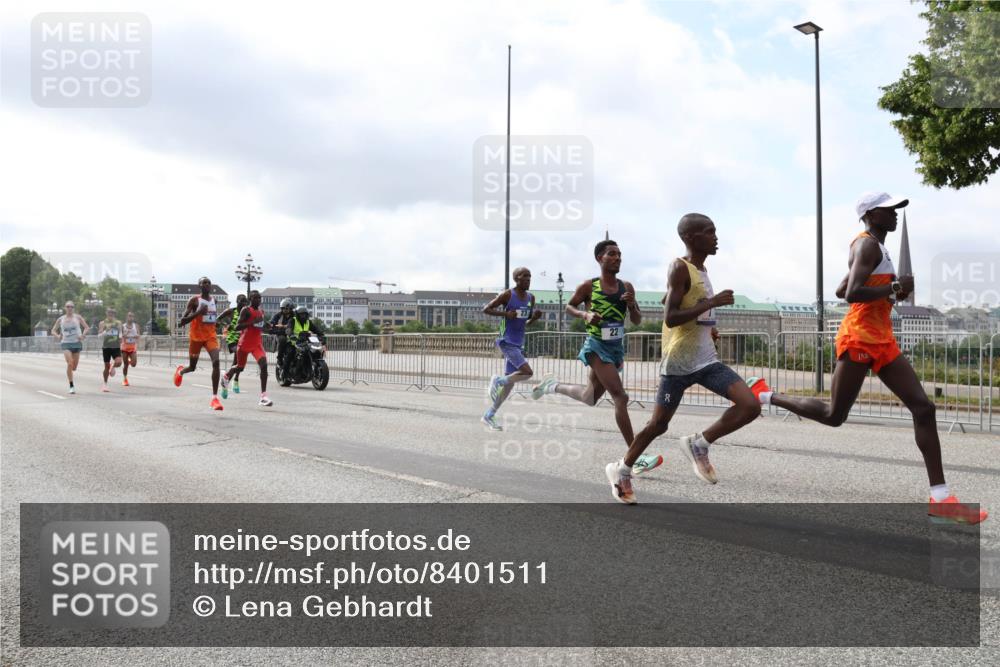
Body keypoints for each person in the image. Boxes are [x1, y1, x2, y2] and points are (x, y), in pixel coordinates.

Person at [746, 192, 987, 524]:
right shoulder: (867, 245)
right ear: (872, 214)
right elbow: (850, 293)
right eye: (890, 209)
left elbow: (841, 287)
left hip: (883, 338)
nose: (896, 214)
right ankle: (764, 394)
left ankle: (941, 497)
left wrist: (891, 289)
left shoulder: (878, 246)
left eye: (897, 209)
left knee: (924, 407)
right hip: (859, 335)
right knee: (834, 415)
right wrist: (893, 289)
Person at [604, 214, 762, 504]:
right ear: (691, 238)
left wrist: (707, 324)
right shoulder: (680, 267)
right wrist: (711, 303)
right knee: (658, 425)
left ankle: (699, 444)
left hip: (706, 360)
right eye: (709, 232)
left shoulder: (701, 269)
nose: (716, 237)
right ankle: (621, 470)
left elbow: (674, 301)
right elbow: (671, 316)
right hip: (678, 364)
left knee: (750, 404)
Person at [532, 240, 663, 476]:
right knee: (620, 397)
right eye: (612, 254)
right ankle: (635, 457)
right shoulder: (590, 286)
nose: (617, 258)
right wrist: (585, 313)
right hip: (596, 346)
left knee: (589, 397)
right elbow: (569, 307)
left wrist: (632, 305)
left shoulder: (626, 286)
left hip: (615, 348)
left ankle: (552, 386)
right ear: (599, 258)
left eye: (619, 254)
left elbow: (636, 321)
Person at [481, 267, 543, 430]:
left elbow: (526, 322)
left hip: (518, 342)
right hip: (506, 340)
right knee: (527, 372)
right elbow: (486, 309)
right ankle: (497, 380)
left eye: (530, 277)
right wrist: (505, 315)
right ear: (516, 279)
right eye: (524, 277)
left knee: (510, 385)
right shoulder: (508, 294)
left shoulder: (531, 298)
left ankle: (489, 415)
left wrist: (534, 318)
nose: (528, 279)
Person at [173, 276, 224, 411]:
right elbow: (182, 321)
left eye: (208, 283)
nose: (207, 284)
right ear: (199, 286)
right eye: (204, 283)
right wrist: (199, 312)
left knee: (216, 362)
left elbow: (211, 318)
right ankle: (181, 371)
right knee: (192, 367)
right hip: (196, 338)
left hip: (210, 337)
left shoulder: (214, 300)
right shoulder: (194, 301)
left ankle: (214, 398)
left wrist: (216, 322)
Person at [220, 290, 272, 406]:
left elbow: (261, 326)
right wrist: (252, 322)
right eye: (255, 298)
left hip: (257, 344)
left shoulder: (261, 311)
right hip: (244, 344)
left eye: (259, 298)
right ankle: (226, 376)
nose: (258, 300)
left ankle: (263, 396)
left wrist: (267, 326)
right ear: (250, 299)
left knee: (263, 365)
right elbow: (238, 326)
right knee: (240, 367)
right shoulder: (246, 310)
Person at [51, 301, 89, 394]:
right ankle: (71, 386)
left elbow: (87, 327)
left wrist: (83, 335)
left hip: (76, 343)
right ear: (65, 308)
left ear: (73, 308)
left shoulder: (78, 317)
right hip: (66, 343)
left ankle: (70, 373)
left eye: (71, 306)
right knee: (70, 363)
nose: (69, 308)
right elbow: (53, 330)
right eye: (68, 306)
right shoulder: (61, 319)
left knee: (74, 367)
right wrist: (58, 336)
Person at [219, 293, 249, 394]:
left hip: (243, 339)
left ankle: (232, 379)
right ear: (237, 302)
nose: (244, 304)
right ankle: (229, 382)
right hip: (232, 339)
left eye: (245, 302)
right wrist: (227, 325)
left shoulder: (247, 312)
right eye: (242, 301)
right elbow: (218, 319)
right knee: (237, 358)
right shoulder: (231, 311)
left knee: (239, 363)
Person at [97, 307, 124, 392]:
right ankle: (105, 384)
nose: (110, 314)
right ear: (106, 313)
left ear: (114, 314)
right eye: (109, 312)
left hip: (115, 346)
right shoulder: (102, 323)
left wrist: (120, 337)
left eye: (112, 313)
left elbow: (120, 332)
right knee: (106, 367)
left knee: (119, 362)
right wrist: (105, 331)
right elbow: (99, 336)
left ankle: (113, 366)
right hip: (106, 347)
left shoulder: (118, 323)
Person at [270, 298, 295, 377]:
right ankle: (279, 359)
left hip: (293, 336)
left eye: (288, 308)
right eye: (284, 308)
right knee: (282, 339)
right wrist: (272, 328)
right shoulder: (278, 316)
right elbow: (272, 324)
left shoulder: (295, 315)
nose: (286, 310)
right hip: (281, 334)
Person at [120, 311, 140, 386]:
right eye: (129, 316)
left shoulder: (136, 326)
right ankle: (125, 379)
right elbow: (121, 336)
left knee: (134, 364)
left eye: (132, 316)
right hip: (124, 347)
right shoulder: (123, 326)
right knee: (125, 365)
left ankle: (130, 361)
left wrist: (136, 337)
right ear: (127, 317)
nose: (131, 318)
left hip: (132, 346)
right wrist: (125, 334)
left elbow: (138, 335)